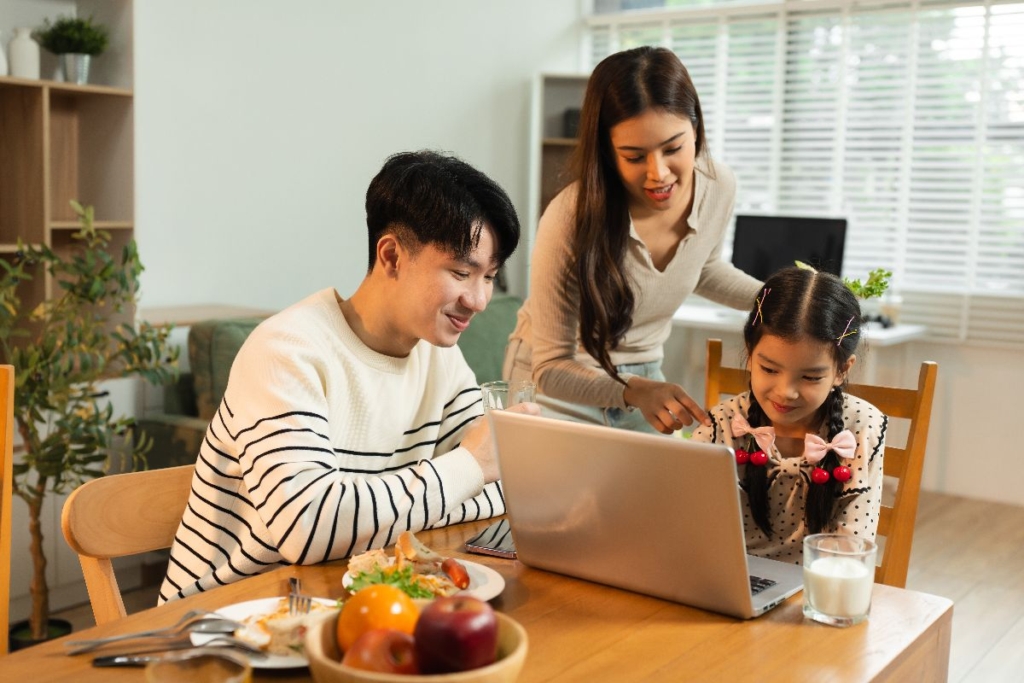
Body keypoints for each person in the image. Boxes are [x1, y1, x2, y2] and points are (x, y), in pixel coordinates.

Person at [160, 150, 537, 603]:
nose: (478, 299)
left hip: (351, 608)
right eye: (461, 272)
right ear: (392, 255)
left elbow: (504, 490)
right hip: (228, 620)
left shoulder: (439, 357)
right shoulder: (287, 352)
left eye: (489, 276)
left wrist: (450, 482)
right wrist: (467, 468)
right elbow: (308, 529)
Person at [504, 46, 761, 435]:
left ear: (697, 130)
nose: (658, 173)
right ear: (608, 153)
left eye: (673, 148)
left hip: (646, 379)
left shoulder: (718, 187)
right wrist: (632, 390)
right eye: (634, 156)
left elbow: (702, 266)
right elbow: (551, 365)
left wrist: (780, 299)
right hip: (556, 385)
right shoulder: (569, 217)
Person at [690, 266, 886, 564]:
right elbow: (694, 533)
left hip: (819, 588)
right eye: (769, 369)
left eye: (810, 377)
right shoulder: (721, 426)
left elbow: (851, 549)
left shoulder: (861, 427)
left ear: (842, 370)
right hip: (730, 581)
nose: (785, 392)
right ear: (749, 352)